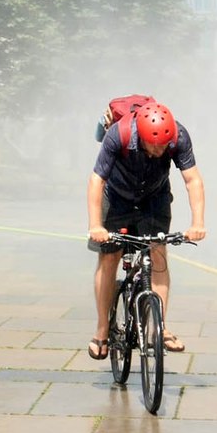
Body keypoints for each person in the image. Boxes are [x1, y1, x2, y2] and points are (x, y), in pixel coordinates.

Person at [86, 100, 206, 360]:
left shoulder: (178, 136)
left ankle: (159, 330)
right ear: (139, 134)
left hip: (155, 198)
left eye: (163, 145)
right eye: (152, 145)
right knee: (109, 257)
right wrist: (96, 225)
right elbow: (97, 180)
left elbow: (192, 179)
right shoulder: (118, 134)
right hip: (116, 198)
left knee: (159, 254)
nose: (158, 150)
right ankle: (102, 330)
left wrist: (198, 222)